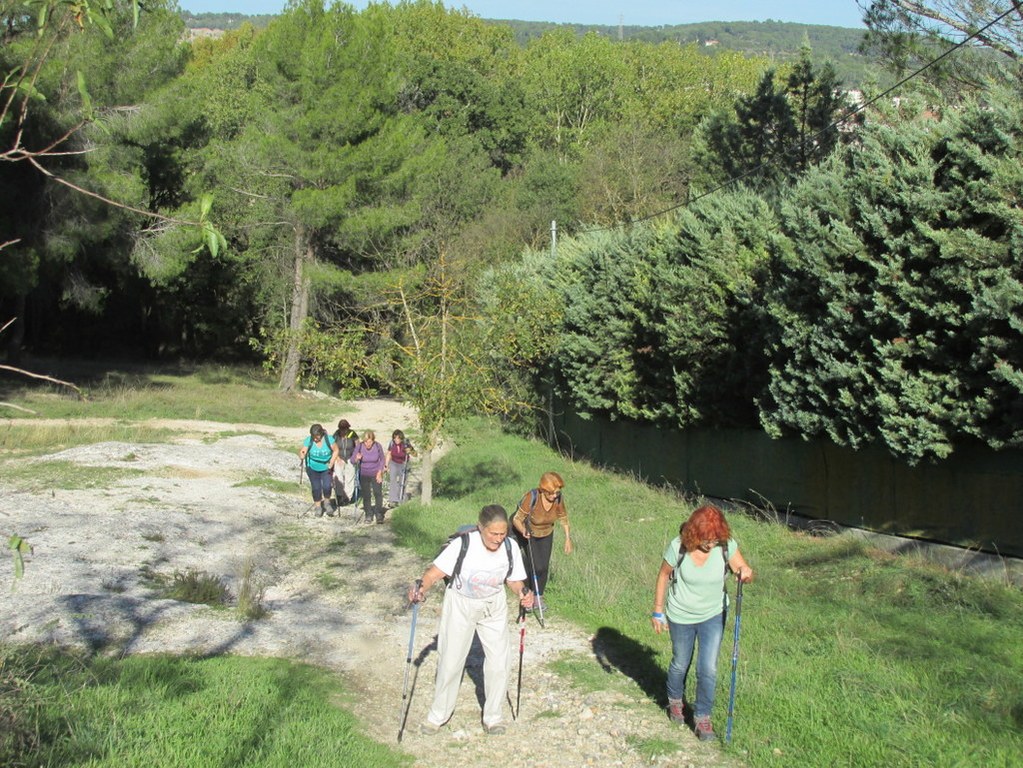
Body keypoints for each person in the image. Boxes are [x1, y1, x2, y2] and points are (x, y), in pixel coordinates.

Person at [409, 505, 534, 736]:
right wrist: (420, 589)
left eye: (502, 533)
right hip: (460, 603)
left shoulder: (510, 546)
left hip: (493, 605)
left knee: (500, 661)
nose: (498, 539)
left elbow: (515, 581)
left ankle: (493, 717)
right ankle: (438, 716)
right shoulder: (463, 544)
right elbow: (435, 573)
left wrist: (523, 594)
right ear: (480, 528)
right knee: (451, 660)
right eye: (493, 534)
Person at [650, 504, 753, 742]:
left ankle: (702, 718)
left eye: (716, 538)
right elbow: (663, 575)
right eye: (708, 538)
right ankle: (675, 703)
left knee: (708, 668)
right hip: (680, 615)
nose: (712, 543)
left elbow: (742, 570)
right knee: (680, 662)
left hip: (713, 614)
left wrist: (745, 573)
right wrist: (657, 611)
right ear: (695, 533)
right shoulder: (679, 547)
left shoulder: (726, 546)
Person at [511, 471, 572, 611]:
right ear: (543, 490)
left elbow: (563, 517)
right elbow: (517, 519)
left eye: (557, 492)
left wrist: (568, 538)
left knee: (543, 567)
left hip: (547, 533)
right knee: (534, 565)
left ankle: (539, 597)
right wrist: (523, 531)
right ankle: (529, 596)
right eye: (551, 493)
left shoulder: (558, 499)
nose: (554, 495)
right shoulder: (531, 497)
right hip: (529, 532)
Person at [298, 423, 339, 517]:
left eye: (317, 436)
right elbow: (303, 450)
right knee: (316, 487)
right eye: (314, 437)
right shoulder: (309, 440)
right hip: (312, 467)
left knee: (327, 486)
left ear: (321, 434)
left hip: (326, 467)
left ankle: (327, 503)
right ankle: (318, 507)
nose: (315, 439)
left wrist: (332, 462)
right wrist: (302, 455)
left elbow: (336, 450)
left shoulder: (329, 439)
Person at [350, 429, 386, 524]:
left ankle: (378, 513)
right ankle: (368, 514)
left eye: (369, 441)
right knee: (366, 495)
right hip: (364, 473)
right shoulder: (359, 446)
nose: (367, 444)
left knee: (377, 493)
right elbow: (352, 460)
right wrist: (356, 458)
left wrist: (380, 472)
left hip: (375, 472)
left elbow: (382, 459)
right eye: (366, 441)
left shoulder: (378, 446)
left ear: (373, 440)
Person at [385, 429, 416, 508]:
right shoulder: (392, 443)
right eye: (395, 438)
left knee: (403, 482)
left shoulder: (406, 443)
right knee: (393, 480)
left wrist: (410, 451)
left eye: (398, 438)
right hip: (394, 462)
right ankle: (393, 500)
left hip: (404, 463)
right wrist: (386, 465)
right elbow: (389, 454)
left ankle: (401, 498)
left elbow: (415, 454)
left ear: (401, 438)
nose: (396, 440)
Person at [332, 419, 359, 506]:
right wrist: (337, 458)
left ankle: (348, 497)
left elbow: (358, 446)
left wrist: (355, 457)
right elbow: (332, 447)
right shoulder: (336, 435)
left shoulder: (352, 434)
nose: (344, 431)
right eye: (342, 429)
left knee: (349, 478)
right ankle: (339, 496)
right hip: (338, 458)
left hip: (350, 458)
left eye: (345, 429)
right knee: (338, 477)